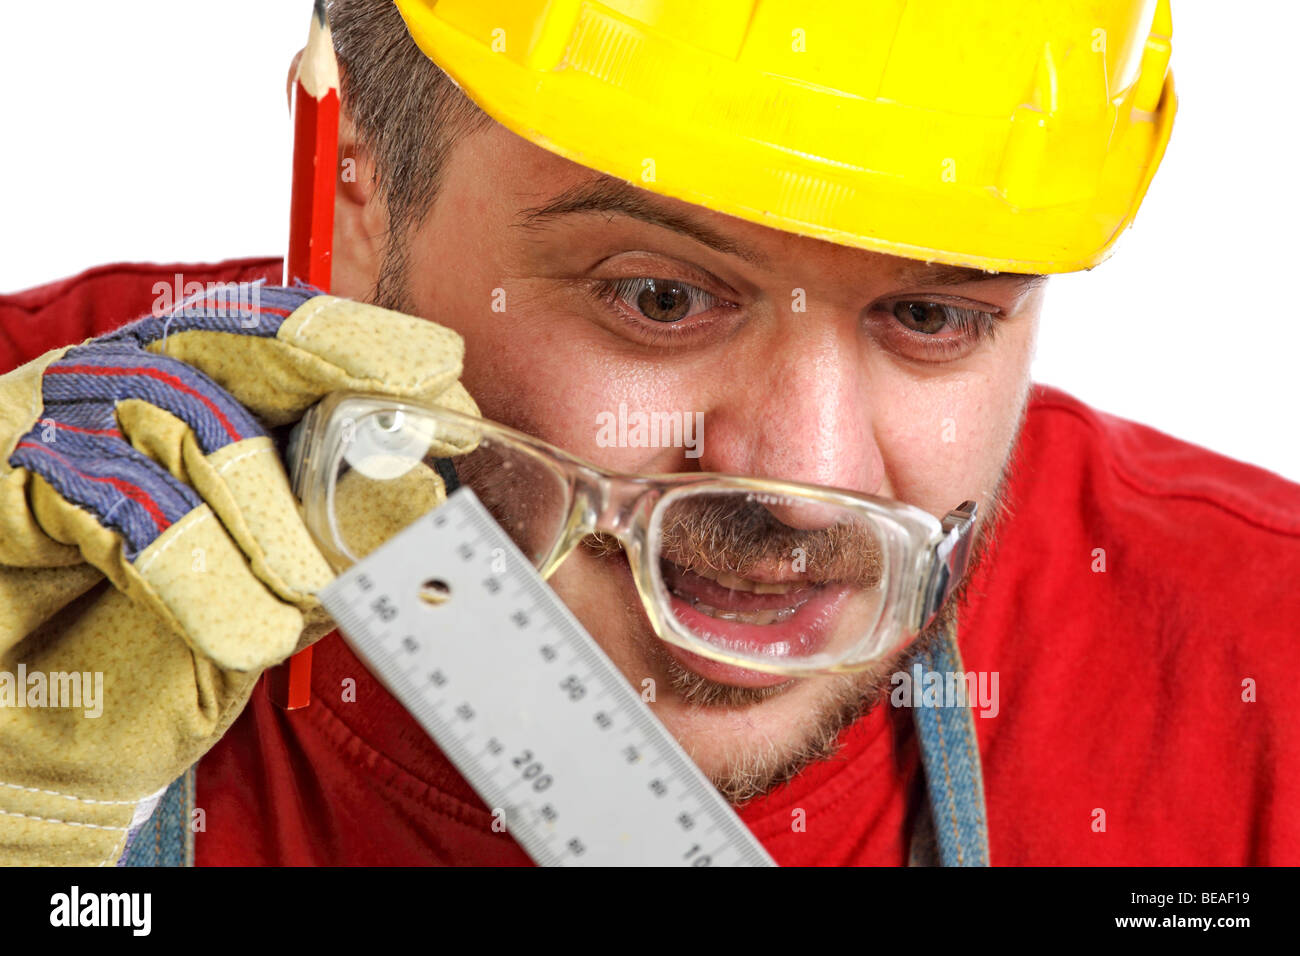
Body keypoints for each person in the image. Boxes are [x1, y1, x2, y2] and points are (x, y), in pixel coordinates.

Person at [1, 0, 1297, 867]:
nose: (808, 478)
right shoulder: (29, 519)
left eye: (934, 314)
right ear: (348, 195)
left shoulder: (1257, 671)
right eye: (662, 297)